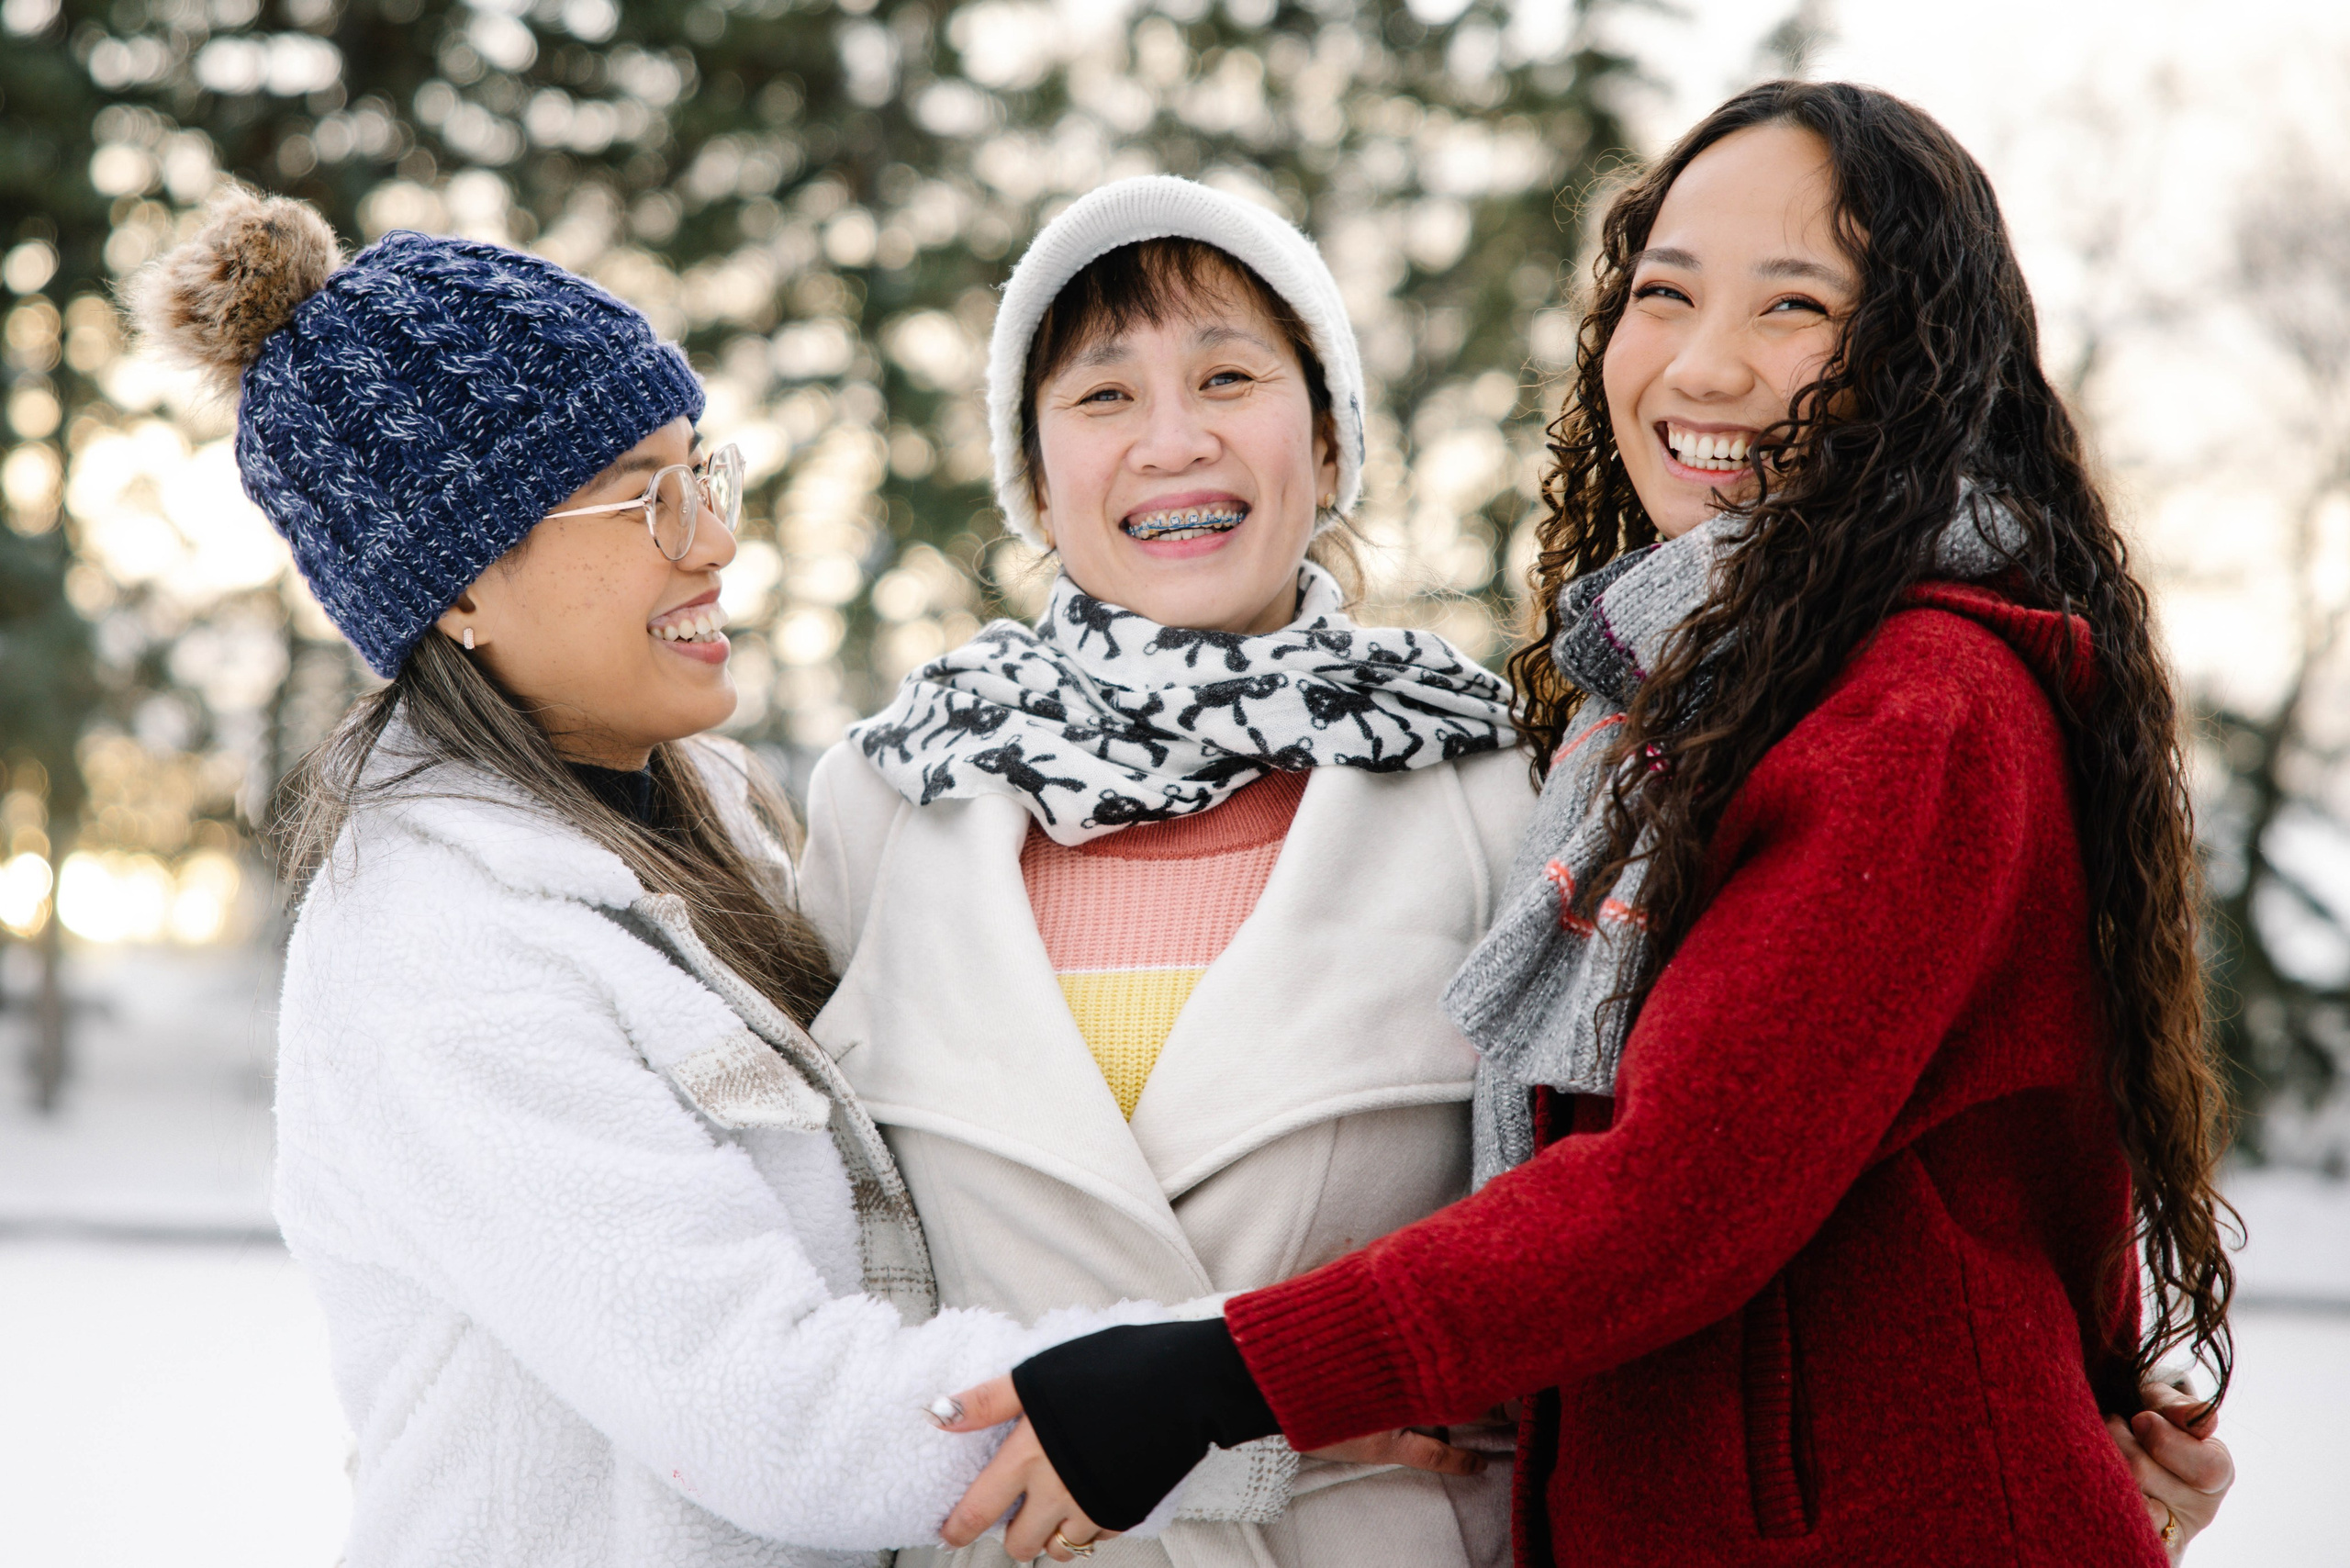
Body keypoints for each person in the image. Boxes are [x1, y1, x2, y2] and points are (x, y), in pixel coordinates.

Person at [937, 83, 2241, 1567]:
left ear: (1924, 362)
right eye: (1663, 293)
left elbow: (1682, 1193)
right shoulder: (1680, 713)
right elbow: (2029, 1146)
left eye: (1795, 306)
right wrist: (2101, 1381)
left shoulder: (1917, 702)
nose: (1705, 365)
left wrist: (1216, 1375)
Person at [138, 187, 1179, 1568]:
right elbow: (780, 1414)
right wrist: (1256, 1388)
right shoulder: (442, 947)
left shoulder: (712, 825)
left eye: (706, 472)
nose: (713, 539)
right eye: (644, 497)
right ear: (453, 588)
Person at [796, 176, 1533, 1568]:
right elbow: (816, 1275)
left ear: (1325, 436)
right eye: (1103, 396)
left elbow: (1585, 1258)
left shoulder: (1491, 792)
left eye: (1228, 375)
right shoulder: (888, 801)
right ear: (1036, 469)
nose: (1173, 441)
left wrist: (1314, 1390)